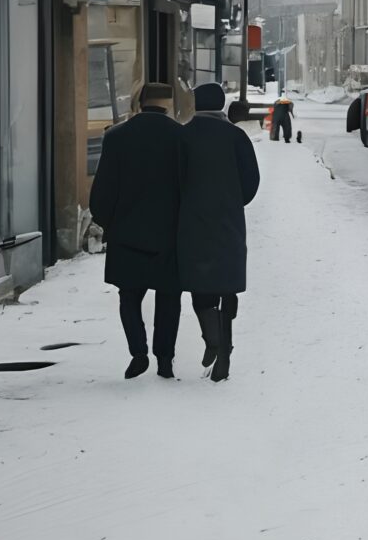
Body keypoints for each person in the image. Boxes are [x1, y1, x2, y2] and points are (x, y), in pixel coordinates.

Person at [87, 84, 187, 379]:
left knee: (129, 295)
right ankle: (165, 359)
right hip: (170, 233)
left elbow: (102, 190)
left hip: (126, 232)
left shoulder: (116, 136)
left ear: (139, 103)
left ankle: (138, 352)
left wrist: (109, 223)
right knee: (169, 297)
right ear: (168, 105)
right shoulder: (181, 137)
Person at [179, 82, 263, 383]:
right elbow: (251, 181)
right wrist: (233, 200)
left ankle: (212, 337)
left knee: (199, 283)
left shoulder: (182, 136)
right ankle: (224, 350)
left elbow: (173, 178)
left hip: (191, 220)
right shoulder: (236, 136)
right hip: (228, 220)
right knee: (227, 284)